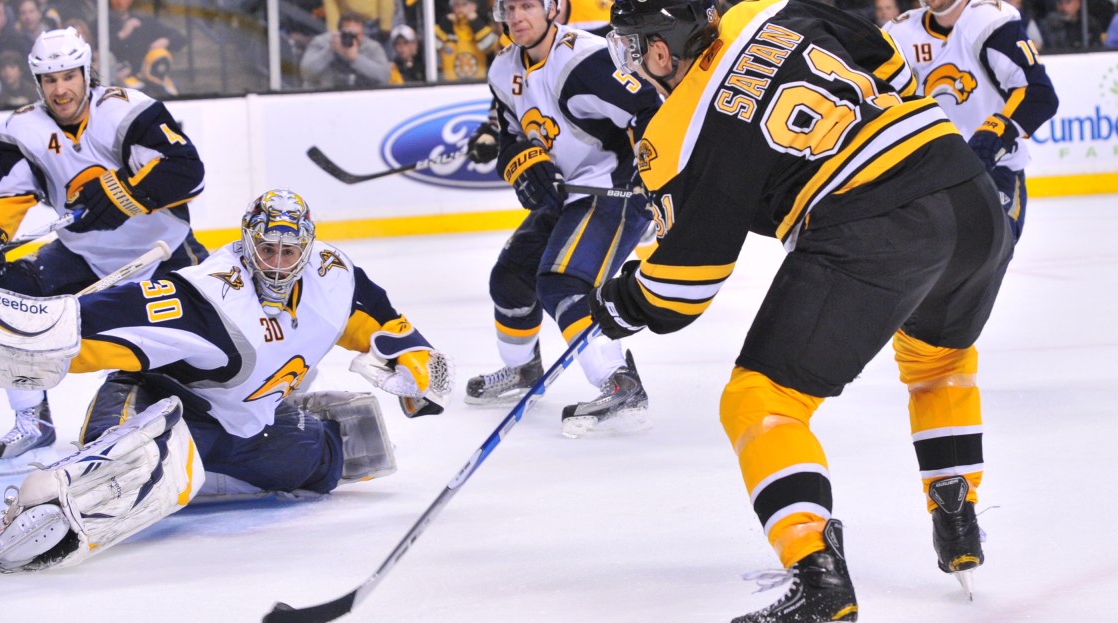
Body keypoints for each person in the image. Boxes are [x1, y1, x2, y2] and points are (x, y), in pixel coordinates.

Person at [594, 0, 1014, 619]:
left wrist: (624, 301)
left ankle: (818, 577)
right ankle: (957, 514)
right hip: (967, 190)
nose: (631, 63)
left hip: (874, 223)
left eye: (631, 48)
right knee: (937, 361)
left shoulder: (675, 132)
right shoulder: (765, 9)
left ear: (660, 50)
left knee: (759, 402)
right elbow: (888, 63)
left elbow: (683, 288)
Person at [0, 189, 453, 573]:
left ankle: (257, 437)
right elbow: (111, 319)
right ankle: (73, 492)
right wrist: (32, 335)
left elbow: (389, 328)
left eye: (288, 251)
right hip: (164, 405)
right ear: (247, 242)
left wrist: (419, 370)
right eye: (267, 249)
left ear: (307, 247)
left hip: (245, 424)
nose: (277, 263)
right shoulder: (211, 293)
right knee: (120, 475)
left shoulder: (334, 275)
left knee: (320, 463)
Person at [0, 26, 208, 476]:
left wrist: (122, 195)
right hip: (82, 254)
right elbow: (3, 198)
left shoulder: (126, 112)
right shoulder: (25, 129)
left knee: (207, 334)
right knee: (0, 289)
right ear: (38, 83)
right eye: (49, 80)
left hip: (160, 252)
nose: (60, 90)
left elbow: (187, 172)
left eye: (69, 76)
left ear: (86, 73)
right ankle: (32, 419)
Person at [464, 0, 660, 439]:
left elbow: (649, 108)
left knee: (563, 282)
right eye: (508, 8)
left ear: (552, 8)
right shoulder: (502, 69)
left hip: (615, 188)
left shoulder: (583, 59)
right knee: (510, 277)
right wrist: (522, 162)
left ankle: (621, 384)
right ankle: (522, 371)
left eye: (527, 6)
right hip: (568, 191)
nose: (517, 17)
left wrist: (655, 178)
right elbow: (511, 135)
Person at [885, 0, 1058, 244]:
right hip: (929, 175)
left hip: (995, 171)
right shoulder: (899, 33)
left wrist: (994, 134)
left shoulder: (988, 22)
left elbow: (1039, 95)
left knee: (990, 249)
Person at [300, 11, 391, 89]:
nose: (353, 38)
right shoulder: (321, 42)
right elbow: (305, 73)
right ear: (339, 32)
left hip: (360, 96)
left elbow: (384, 76)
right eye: (349, 34)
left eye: (358, 34)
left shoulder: (372, 47)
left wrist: (356, 59)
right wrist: (331, 51)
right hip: (325, 95)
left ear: (363, 33)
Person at [434, 0, 497, 81]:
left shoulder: (483, 26)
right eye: (456, 5)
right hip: (449, 84)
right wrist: (445, 23)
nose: (460, 8)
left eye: (464, 4)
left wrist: (476, 21)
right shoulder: (445, 28)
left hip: (478, 84)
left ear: (474, 6)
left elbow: (489, 46)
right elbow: (432, 48)